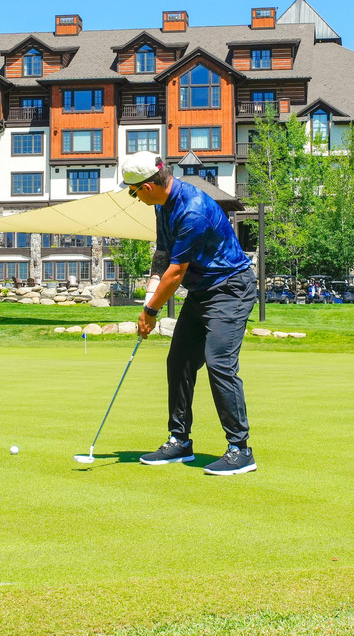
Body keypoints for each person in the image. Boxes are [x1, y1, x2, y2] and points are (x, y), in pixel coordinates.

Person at [121, 151, 258, 475]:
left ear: (148, 187)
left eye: (133, 191)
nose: (134, 197)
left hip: (230, 289)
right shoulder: (163, 206)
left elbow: (176, 271)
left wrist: (151, 311)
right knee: (179, 360)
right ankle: (179, 441)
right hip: (202, 292)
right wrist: (147, 302)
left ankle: (241, 450)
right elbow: (163, 255)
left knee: (219, 362)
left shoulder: (192, 210)